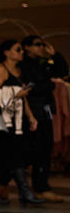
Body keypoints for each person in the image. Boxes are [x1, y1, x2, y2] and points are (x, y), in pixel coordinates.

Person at [0, 39, 44, 206]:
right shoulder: (0, 69)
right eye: (18, 49)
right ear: (7, 52)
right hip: (6, 119)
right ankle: (23, 190)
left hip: (19, 118)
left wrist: (31, 116)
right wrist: (15, 94)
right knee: (13, 153)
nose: (21, 52)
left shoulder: (19, 71)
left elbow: (22, 97)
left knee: (8, 155)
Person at [19, 35, 68, 203]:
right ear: (27, 47)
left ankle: (41, 187)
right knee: (31, 149)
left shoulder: (43, 64)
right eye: (37, 45)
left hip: (45, 109)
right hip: (32, 110)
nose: (41, 48)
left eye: (42, 45)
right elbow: (32, 86)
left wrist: (54, 55)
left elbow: (62, 72)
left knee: (44, 148)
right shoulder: (23, 65)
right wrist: (50, 85)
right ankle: (16, 183)